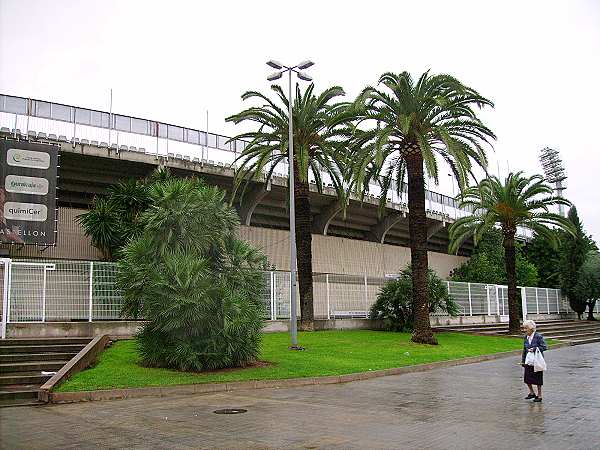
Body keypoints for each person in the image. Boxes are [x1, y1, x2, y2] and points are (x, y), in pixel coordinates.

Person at [521, 319, 547, 402]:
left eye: (526, 328)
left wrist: (535, 349)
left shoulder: (538, 336)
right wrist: (523, 360)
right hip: (528, 360)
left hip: (536, 361)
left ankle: (539, 395)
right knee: (527, 378)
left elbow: (544, 347)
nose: (524, 330)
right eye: (524, 328)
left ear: (531, 328)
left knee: (538, 378)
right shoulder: (526, 337)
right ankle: (531, 392)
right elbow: (524, 350)